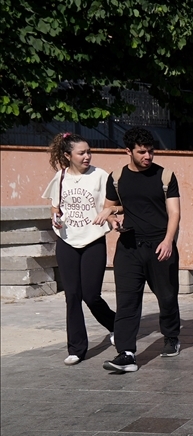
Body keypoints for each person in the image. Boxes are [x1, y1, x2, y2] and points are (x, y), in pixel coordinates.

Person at [97, 128, 181, 373]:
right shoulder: (116, 177)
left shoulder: (165, 176)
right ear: (128, 152)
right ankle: (126, 354)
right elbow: (110, 208)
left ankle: (171, 336)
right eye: (142, 152)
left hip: (159, 246)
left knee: (166, 297)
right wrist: (113, 221)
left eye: (151, 151)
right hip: (129, 247)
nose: (148, 156)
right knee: (127, 302)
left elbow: (174, 212)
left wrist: (168, 241)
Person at [43, 133, 117, 366]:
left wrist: (109, 214)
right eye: (81, 153)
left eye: (88, 152)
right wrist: (55, 216)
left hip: (93, 240)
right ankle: (76, 348)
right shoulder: (61, 176)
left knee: (91, 295)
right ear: (68, 155)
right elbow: (55, 206)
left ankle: (116, 325)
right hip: (66, 240)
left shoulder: (100, 176)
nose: (87, 156)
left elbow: (114, 204)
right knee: (72, 295)